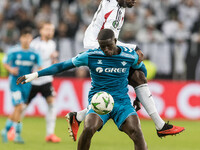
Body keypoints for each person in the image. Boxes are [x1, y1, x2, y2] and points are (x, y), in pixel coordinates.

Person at [66, 0, 185, 141]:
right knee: (138, 76)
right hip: (99, 48)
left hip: (96, 44)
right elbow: (108, 37)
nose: (134, 1)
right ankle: (160, 126)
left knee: (136, 78)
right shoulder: (114, 10)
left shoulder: (116, 5)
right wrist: (134, 48)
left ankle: (78, 116)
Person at [17, 28, 148, 150]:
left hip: (122, 102)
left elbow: (142, 72)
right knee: (89, 128)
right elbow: (62, 66)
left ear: (115, 41)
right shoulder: (91, 56)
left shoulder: (130, 55)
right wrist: (34, 75)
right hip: (98, 100)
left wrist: (139, 97)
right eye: (103, 47)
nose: (106, 50)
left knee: (137, 131)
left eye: (109, 46)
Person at [1, 28, 42, 143]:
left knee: (18, 109)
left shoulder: (34, 53)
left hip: (26, 84)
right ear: (21, 38)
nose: (26, 40)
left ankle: (5, 130)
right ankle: (17, 134)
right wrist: (11, 69)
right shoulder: (13, 51)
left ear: (31, 39)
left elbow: (40, 67)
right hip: (15, 83)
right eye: (24, 37)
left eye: (29, 37)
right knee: (19, 107)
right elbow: (5, 62)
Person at [22, 22, 61, 143]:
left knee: (52, 104)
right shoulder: (34, 44)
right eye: (47, 29)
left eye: (52, 29)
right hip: (33, 80)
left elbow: (50, 61)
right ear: (41, 31)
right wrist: (48, 57)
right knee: (23, 106)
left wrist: (53, 59)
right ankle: (14, 129)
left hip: (46, 80)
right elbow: (30, 59)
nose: (50, 32)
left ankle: (50, 134)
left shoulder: (52, 43)